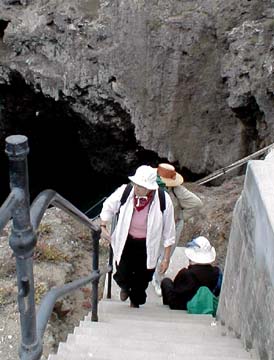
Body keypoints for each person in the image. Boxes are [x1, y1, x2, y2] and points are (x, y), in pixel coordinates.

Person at [100, 165, 176, 308]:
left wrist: (166, 259)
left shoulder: (163, 199)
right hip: (126, 240)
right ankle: (124, 286)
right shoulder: (126, 191)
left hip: (147, 244)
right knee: (122, 270)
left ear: (150, 188)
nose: (136, 188)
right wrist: (103, 224)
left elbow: (169, 231)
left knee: (143, 277)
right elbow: (109, 205)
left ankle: (135, 301)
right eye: (136, 184)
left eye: (141, 186)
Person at [152, 163, 203, 296]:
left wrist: (180, 216)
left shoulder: (176, 189)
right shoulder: (150, 187)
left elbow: (196, 203)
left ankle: (157, 279)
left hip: (172, 226)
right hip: (156, 225)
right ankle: (153, 275)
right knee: (155, 252)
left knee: (164, 255)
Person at [161, 236, 221, 310]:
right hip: (205, 303)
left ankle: (166, 308)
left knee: (166, 282)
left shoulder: (186, 273)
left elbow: (176, 291)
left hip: (182, 305)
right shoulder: (217, 273)